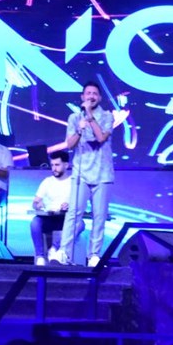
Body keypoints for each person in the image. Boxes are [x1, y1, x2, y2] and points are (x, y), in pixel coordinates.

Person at [55, 82, 114, 268]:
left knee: (99, 216)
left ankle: (94, 255)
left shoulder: (107, 116)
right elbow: (70, 144)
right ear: (82, 97)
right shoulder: (74, 118)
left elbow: (101, 137)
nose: (91, 96)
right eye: (88, 93)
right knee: (73, 214)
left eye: (95, 93)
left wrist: (89, 116)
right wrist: (80, 129)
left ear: (100, 98)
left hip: (103, 174)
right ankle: (64, 252)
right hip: (81, 173)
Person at [30, 151, 71, 266]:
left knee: (80, 224)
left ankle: (55, 249)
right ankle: (40, 257)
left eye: (57, 165)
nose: (54, 168)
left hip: (67, 219)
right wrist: (38, 204)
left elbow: (81, 205)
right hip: (49, 218)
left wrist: (69, 205)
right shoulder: (47, 181)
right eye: (52, 165)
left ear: (66, 165)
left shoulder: (73, 182)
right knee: (35, 222)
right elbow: (35, 203)